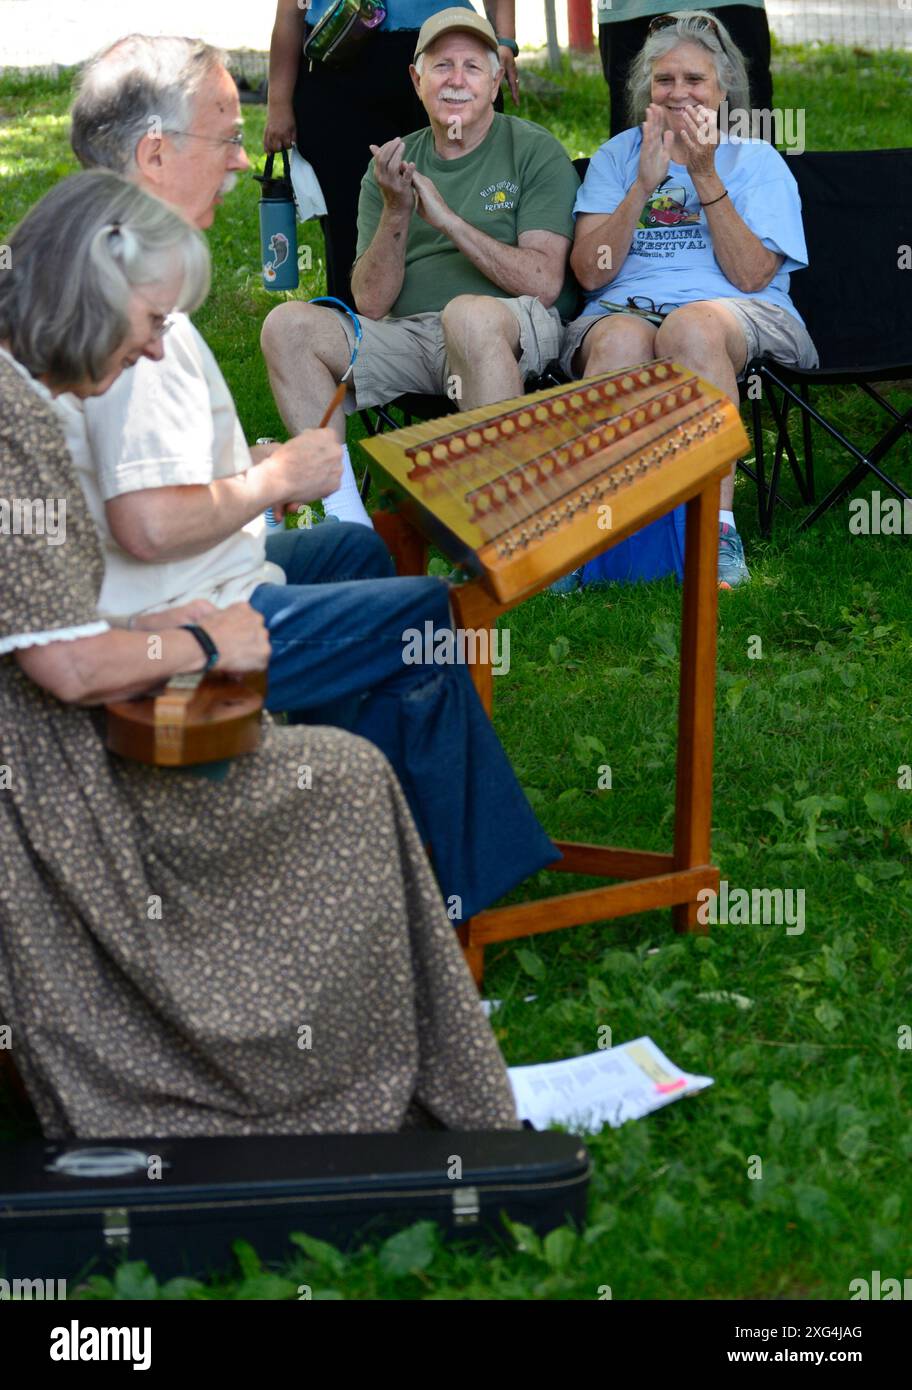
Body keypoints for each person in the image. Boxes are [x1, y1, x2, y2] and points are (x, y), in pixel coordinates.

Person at [0, 171, 519, 1140]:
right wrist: (207, 635)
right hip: (50, 776)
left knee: (358, 735)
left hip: (60, 733)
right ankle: (333, 1055)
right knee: (355, 775)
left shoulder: (22, 398)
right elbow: (64, 669)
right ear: (90, 295)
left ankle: (402, 1002)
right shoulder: (14, 419)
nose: (158, 344)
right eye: (151, 320)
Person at [68, 33, 557, 923]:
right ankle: (466, 905)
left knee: (359, 560)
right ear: (153, 153)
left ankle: (362, 829)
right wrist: (273, 479)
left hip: (204, 573)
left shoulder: (116, 257)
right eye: (225, 138)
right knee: (422, 613)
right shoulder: (117, 289)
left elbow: (129, 468)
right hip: (181, 617)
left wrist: (240, 471)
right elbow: (139, 526)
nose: (242, 165)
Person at [559, 9, 818, 589]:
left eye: (695, 80)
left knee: (691, 329)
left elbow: (752, 275)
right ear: (646, 90)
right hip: (623, 308)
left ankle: (716, 533)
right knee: (623, 339)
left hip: (734, 311)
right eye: (665, 80)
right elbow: (590, 274)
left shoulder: (757, 162)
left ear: (724, 89)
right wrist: (642, 187)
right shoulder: (617, 157)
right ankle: (603, 537)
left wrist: (704, 176)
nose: (679, 93)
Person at [261, 7, 580, 451]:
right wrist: (396, 209)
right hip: (411, 337)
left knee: (468, 315)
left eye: (472, 67)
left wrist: (447, 221)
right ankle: (341, 508)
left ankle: (503, 510)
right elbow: (370, 304)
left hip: (505, 331)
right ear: (416, 80)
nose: (455, 80)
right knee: (287, 325)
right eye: (442, 66)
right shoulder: (390, 166)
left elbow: (543, 284)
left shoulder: (533, 149)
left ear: (494, 83)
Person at [265, 1, 520, 303]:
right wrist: (278, 103)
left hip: (443, 54)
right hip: (339, 58)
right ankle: (352, 330)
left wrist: (505, 40)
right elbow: (291, 11)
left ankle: (462, 318)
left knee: (456, 201)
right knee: (349, 217)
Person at [597, 1, 773, 139]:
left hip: (729, 3)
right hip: (630, 7)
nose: (679, 93)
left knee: (750, 133)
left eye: (693, 79)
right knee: (632, 134)